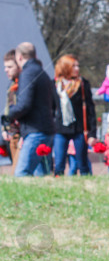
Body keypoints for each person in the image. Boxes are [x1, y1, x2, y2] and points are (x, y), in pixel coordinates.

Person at [7, 42, 55, 177]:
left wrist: (8, 115)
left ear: (19, 57)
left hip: (35, 131)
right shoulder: (41, 72)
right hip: (45, 129)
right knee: (42, 176)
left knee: (22, 173)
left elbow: (24, 105)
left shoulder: (27, 73)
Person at [51, 54, 97, 176]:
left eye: (78, 66)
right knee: (59, 163)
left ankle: (87, 185)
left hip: (79, 129)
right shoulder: (55, 85)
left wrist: (92, 133)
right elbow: (50, 109)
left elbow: (90, 110)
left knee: (82, 163)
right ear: (65, 67)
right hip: (60, 129)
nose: (77, 68)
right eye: (73, 66)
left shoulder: (82, 84)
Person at [2, 50, 22, 174]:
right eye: (5, 67)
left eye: (10, 67)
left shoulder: (25, 84)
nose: (6, 70)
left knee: (19, 172)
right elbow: (7, 108)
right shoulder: (11, 86)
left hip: (23, 135)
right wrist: (5, 128)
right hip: (12, 135)